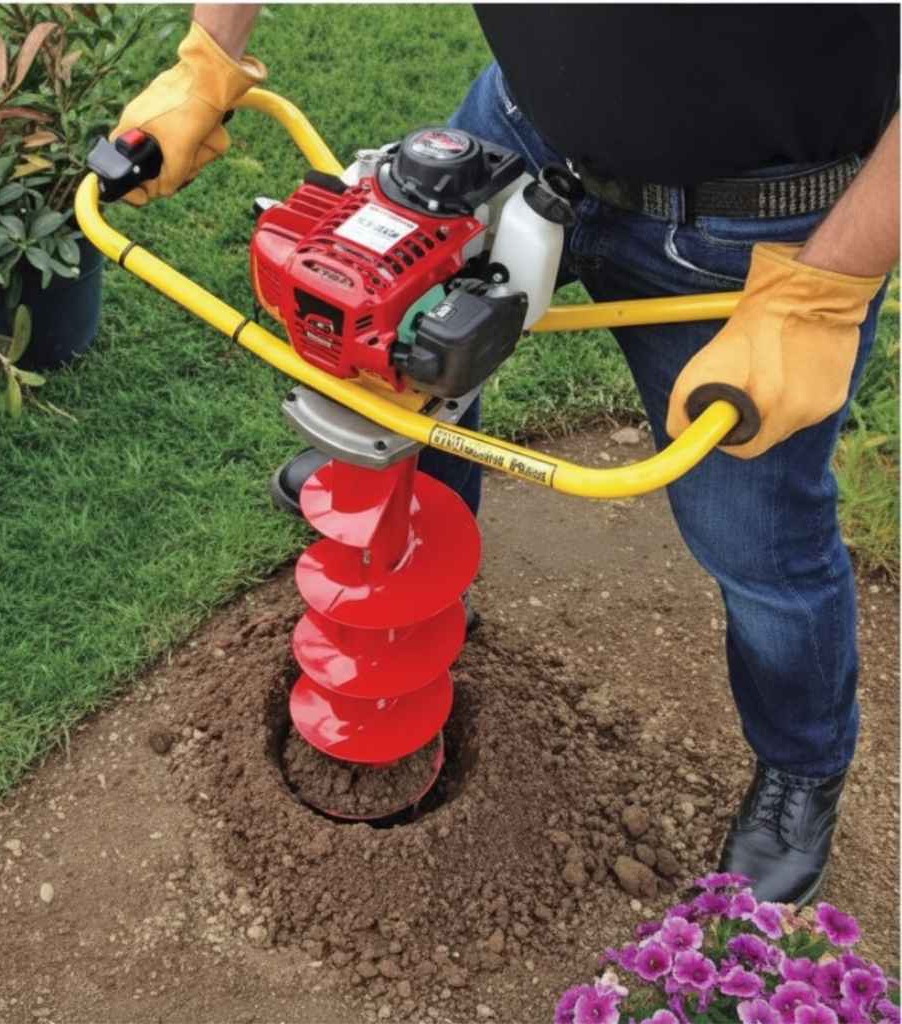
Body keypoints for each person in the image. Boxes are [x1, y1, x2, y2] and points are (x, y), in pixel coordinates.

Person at [111, 4, 900, 906]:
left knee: (755, 536)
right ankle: (410, 570)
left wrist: (828, 287)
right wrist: (210, 55)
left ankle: (803, 771)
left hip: (754, 228)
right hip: (514, 136)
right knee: (399, 366)